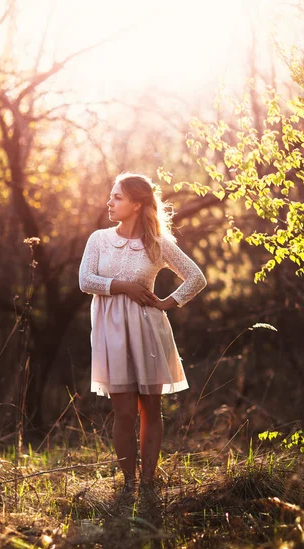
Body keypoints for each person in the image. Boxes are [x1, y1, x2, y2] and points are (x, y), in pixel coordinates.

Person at [79, 172, 207, 493]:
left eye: (117, 197)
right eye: (111, 196)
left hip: (149, 330)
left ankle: (148, 484)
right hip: (112, 335)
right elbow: (85, 281)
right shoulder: (98, 240)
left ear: (137, 204)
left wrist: (167, 303)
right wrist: (125, 287)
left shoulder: (158, 244)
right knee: (123, 413)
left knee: (151, 409)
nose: (109, 202)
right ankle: (129, 484)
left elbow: (196, 277)